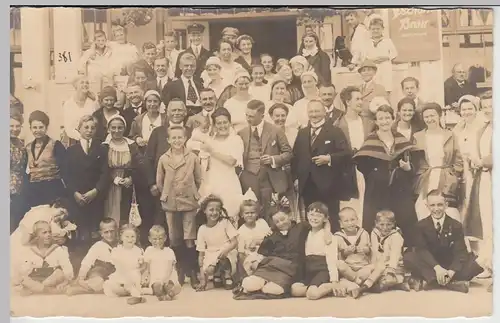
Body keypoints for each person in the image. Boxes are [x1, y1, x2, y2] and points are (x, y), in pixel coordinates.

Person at [353, 105, 417, 246]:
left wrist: (407, 168)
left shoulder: (400, 139)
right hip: (377, 188)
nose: (384, 121)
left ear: (393, 119)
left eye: (387, 118)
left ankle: (407, 251)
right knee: (376, 218)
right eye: (381, 118)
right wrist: (376, 173)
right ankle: (375, 250)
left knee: (405, 218)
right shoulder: (371, 140)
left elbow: (412, 165)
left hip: (399, 187)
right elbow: (361, 164)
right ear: (376, 121)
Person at [403, 190, 484, 294]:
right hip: (431, 264)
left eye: (440, 205)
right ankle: (453, 284)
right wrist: (437, 268)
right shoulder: (420, 226)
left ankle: (431, 281)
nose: (436, 209)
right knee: (409, 258)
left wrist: (451, 271)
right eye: (432, 205)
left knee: (474, 265)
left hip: (449, 264)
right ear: (427, 206)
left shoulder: (456, 225)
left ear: (446, 205)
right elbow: (422, 250)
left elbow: (460, 252)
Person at [292, 100, 350, 232]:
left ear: (324, 112)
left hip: (329, 184)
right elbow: (295, 157)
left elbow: (346, 154)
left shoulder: (335, 131)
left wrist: (328, 158)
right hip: (307, 184)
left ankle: (332, 246)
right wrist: (296, 178)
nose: (314, 114)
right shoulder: (302, 133)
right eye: (311, 111)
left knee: (331, 217)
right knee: (311, 218)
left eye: (317, 111)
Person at [156, 126, 202, 288]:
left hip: (188, 201)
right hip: (171, 202)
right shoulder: (163, 159)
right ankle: (179, 271)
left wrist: (190, 191)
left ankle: (192, 272)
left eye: (180, 138)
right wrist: (168, 194)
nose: (177, 141)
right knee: (174, 236)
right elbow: (160, 182)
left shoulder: (192, 158)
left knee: (189, 237)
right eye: (173, 138)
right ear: (168, 140)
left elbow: (198, 178)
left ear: (185, 139)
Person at [233, 205, 310, 299]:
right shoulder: (273, 234)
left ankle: (263, 286)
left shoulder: (301, 227)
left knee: (274, 290)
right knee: (249, 284)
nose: (281, 223)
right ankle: (261, 283)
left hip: (289, 269)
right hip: (271, 266)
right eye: (277, 222)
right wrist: (255, 262)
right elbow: (263, 253)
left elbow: (321, 222)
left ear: (290, 215)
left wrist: (327, 229)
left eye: (283, 219)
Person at [238, 100, 292, 223]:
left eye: (251, 116)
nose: (248, 118)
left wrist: (273, 159)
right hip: (249, 176)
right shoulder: (241, 133)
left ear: (262, 115)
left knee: (270, 211)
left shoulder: (276, 130)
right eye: (246, 115)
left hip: (270, 177)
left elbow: (288, 153)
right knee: (252, 211)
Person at [412, 103, 463, 222]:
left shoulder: (450, 135)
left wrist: (453, 176)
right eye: (426, 117)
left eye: (432, 115)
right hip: (425, 178)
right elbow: (414, 160)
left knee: (448, 211)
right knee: (423, 211)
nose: (430, 119)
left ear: (439, 116)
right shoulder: (418, 136)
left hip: (445, 178)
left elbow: (458, 159)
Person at [102, 115, 155, 228]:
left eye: (120, 128)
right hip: (109, 184)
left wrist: (131, 179)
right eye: (113, 127)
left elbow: (140, 164)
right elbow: (101, 167)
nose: (117, 131)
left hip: (127, 184)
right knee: (110, 211)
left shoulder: (131, 145)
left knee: (126, 211)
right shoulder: (104, 146)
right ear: (109, 128)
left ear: (124, 128)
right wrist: (114, 178)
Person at [64, 115, 109, 245]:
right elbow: (67, 175)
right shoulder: (71, 150)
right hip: (78, 196)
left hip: (95, 195)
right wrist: (75, 193)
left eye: (93, 128)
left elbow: (105, 172)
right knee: (80, 227)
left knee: (95, 227)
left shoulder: (102, 148)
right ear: (79, 129)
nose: (89, 130)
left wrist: (96, 191)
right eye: (86, 127)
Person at [194, 107, 244, 223]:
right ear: (214, 125)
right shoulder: (210, 139)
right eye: (219, 123)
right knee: (211, 216)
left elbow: (232, 161)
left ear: (230, 123)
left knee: (229, 215)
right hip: (210, 181)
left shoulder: (235, 139)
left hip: (228, 182)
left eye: (225, 122)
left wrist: (212, 151)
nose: (222, 126)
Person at [464, 92, 493, 284]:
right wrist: (476, 162)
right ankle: (489, 263)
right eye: (485, 107)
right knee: (487, 221)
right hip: (484, 179)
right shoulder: (484, 128)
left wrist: (482, 161)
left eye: (492, 105)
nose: (489, 109)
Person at [337, 86, 375, 225]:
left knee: (367, 205)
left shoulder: (369, 123)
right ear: (348, 102)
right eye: (357, 99)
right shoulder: (338, 125)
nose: (361, 102)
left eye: (362, 99)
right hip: (347, 171)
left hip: (367, 169)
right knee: (350, 205)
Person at [291, 202, 344, 300]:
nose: (314, 218)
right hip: (308, 270)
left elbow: (331, 259)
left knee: (312, 294)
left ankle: (330, 286)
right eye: (311, 215)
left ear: (325, 218)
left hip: (322, 269)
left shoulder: (328, 236)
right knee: (294, 289)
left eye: (319, 216)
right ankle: (313, 287)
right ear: (307, 215)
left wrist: (334, 280)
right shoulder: (305, 232)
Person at [12, 221, 74, 296]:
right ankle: (49, 290)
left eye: (49, 232)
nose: (48, 235)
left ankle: (39, 289)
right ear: (36, 236)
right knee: (23, 279)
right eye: (44, 232)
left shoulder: (58, 249)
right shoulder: (30, 251)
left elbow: (68, 268)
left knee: (59, 273)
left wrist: (65, 282)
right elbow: (24, 271)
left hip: (51, 279)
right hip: (36, 280)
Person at [24, 110, 67, 208]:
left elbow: (65, 169)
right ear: (30, 128)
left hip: (52, 187)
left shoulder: (56, 144)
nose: (37, 130)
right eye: (34, 127)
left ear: (46, 128)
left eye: (41, 127)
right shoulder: (28, 147)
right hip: (34, 190)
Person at [196, 195, 239, 291]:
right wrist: (203, 280)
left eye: (217, 210)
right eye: (211, 210)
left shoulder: (224, 222)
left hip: (227, 251)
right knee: (209, 269)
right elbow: (201, 254)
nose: (214, 213)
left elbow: (234, 242)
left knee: (223, 257)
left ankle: (227, 276)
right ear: (204, 211)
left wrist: (226, 250)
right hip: (211, 252)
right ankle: (217, 275)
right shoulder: (202, 229)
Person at [66, 218, 118, 296]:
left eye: (112, 231)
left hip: (114, 272)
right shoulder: (98, 246)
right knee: (98, 281)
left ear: (116, 230)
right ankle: (81, 287)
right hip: (100, 270)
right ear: (101, 233)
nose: (109, 235)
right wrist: (81, 277)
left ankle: (85, 289)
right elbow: (87, 262)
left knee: (116, 283)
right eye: (106, 232)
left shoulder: (121, 244)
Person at [103, 224, 147, 305]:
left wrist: (141, 272)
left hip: (134, 276)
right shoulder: (117, 250)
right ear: (121, 237)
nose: (130, 239)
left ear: (136, 237)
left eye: (132, 236)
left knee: (130, 279)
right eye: (127, 236)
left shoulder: (138, 250)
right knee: (108, 285)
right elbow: (118, 265)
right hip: (120, 276)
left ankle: (137, 296)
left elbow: (143, 265)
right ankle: (133, 291)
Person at [334, 207, 372, 297]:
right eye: (346, 221)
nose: (350, 223)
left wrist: (365, 249)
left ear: (357, 220)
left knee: (372, 268)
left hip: (362, 267)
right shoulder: (337, 236)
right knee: (339, 264)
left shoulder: (364, 233)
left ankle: (354, 283)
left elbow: (370, 250)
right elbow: (337, 255)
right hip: (348, 269)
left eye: (352, 220)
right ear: (341, 223)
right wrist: (345, 252)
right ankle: (357, 281)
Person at [236, 193, 272, 285]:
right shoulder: (241, 231)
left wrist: (258, 241)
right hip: (250, 258)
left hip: (264, 254)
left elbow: (271, 239)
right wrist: (244, 270)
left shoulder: (262, 223)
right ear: (242, 215)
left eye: (252, 213)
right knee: (256, 264)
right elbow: (241, 254)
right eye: (247, 213)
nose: (250, 215)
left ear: (257, 214)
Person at [369, 210, 409, 292]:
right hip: (379, 265)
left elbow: (395, 254)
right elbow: (374, 251)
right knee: (365, 275)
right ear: (376, 223)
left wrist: (391, 270)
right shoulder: (374, 233)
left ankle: (398, 282)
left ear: (393, 224)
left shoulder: (396, 236)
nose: (385, 228)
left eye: (388, 224)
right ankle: (392, 284)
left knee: (386, 280)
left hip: (394, 267)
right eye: (382, 224)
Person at [143, 225, 182, 301]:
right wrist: (145, 278)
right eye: (154, 239)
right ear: (149, 239)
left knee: (173, 286)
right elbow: (146, 267)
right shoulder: (149, 250)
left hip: (168, 278)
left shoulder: (169, 251)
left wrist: (170, 280)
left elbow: (172, 268)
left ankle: (170, 293)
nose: (157, 241)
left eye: (160, 238)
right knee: (157, 287)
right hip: (156, 279)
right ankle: (161, 295)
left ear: (165, 238)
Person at [62, 76, 99, 146]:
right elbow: (68, 128)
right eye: (82, 82)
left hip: (91, 140)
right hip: (74, 141)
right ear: (75, 85)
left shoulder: (93, 103)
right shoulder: (68, 104)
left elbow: (96, 122)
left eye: (87, 83)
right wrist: (81, 138)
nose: (85, 84)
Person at [163, 53, 203, 117]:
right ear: (180, 66)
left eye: (192, 66)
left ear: (195, 67)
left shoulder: (200, 85)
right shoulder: (171, 86)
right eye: (186, 66)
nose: (189, 68)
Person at [364, 17, 398, 93]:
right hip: (373, 69)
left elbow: (394, 53)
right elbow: (364, 56)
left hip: (385, 68)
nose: (375, 31)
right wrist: (372, 60)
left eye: (378, 29)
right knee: (373, 90)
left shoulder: (387, 41)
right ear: (369, 29)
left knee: (385, 89)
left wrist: (386, 58)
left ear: (382, 29)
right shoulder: (367, 43)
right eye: (373, 29)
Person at [10, 112, 28, 233]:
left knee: (16, 222)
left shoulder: (21, 144)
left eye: (18, 126)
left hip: (20, 189)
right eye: (11, 126)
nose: (15, 129)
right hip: (8, 190)